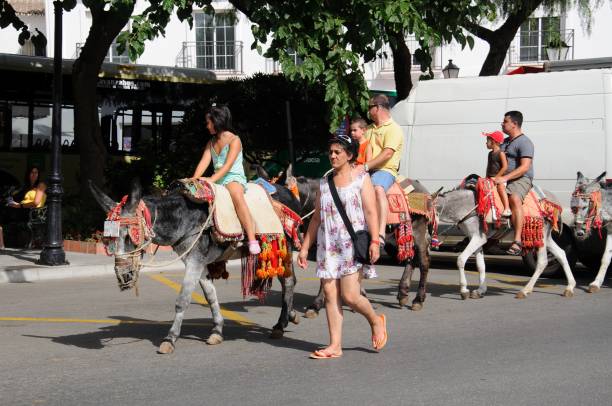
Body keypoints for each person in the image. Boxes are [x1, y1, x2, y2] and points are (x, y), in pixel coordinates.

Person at [297, 135, 387, 359]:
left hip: (350, 244)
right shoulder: (325, 182)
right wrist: (305, 247)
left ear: (350, 155)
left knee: (350, 296)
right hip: (328, 245)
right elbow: (316, 218)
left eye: (338, 152)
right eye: (331, 152)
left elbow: (370, 212)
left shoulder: (360, 179)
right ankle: (334, 345)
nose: (333, 156)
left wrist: (375, 240)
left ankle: (376, 321)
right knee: (329, 293)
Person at [191, 105, 260, 255]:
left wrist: (211, 179)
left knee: (236, 195)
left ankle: (252, 238)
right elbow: (204, 162)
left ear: (217, 121)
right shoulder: (211, 142)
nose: (207, 126)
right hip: (217, 179)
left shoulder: (234, 140)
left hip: (233, 177)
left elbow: (228, 166)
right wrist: (194, 179)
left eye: (209, 122)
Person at [362, 94, 403, 247]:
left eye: (369, 108)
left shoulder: (394, 129)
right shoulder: (369, 129)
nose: (367, 111)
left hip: (386, 170)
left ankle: (380, 232)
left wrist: (366, 166)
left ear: (377, 108)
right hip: (367, 169)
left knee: (378, 189)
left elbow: (387, 153)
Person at [493, 111, 535, 256]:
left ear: (514, 124)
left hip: (521, 179)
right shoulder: (505, 142)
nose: (502, 124)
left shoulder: (525, 142)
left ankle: (517, 240)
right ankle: (490, 238)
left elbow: (525, 167)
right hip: (502, 178)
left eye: (505, 121)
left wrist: (504, 178)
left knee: (514, 198)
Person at [483, 130, 511, 217]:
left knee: (501, 188)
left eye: (488, 140)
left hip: (500, 178)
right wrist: (486, 177)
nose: (486, 143)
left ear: (494, 141)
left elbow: (505, 167)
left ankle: (507, 208)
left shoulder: (501, 153)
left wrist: (497, 178)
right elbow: (489, 166)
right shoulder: (490, 154)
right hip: (490, 178)